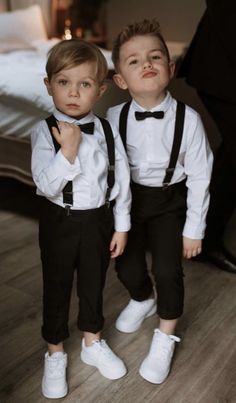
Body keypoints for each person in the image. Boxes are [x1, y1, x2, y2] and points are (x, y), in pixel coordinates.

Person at [107, 19, 213, 384]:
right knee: (126, 266)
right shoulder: (113, 118)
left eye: (155, 56)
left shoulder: (190, 121)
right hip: (128, 202)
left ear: (170, 68)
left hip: (170, 202)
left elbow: (201, 176)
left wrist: (193, 229)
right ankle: (141, 298)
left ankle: (166, 334)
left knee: (168, 271)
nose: (146, 63)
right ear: (121, 80)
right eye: (133, 61)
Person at [31, 38, 131, 399]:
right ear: (48, 85)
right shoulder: (44, 131)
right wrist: (68, 152)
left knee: (94, 281)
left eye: (85, 84)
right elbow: (45, 185)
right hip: (59, 220)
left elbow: (121, 181)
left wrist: (121, 225)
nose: (73, 93)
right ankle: (54, 350)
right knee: (56, 284)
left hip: (98, 222)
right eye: (63, 82)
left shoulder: (106, 130)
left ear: (101, 89)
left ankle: (92, 340)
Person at [177, 0, 236, 273]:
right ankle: (204, 237)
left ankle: (198, 231)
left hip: (222, 67)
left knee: (231, 152)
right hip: (220, 66)